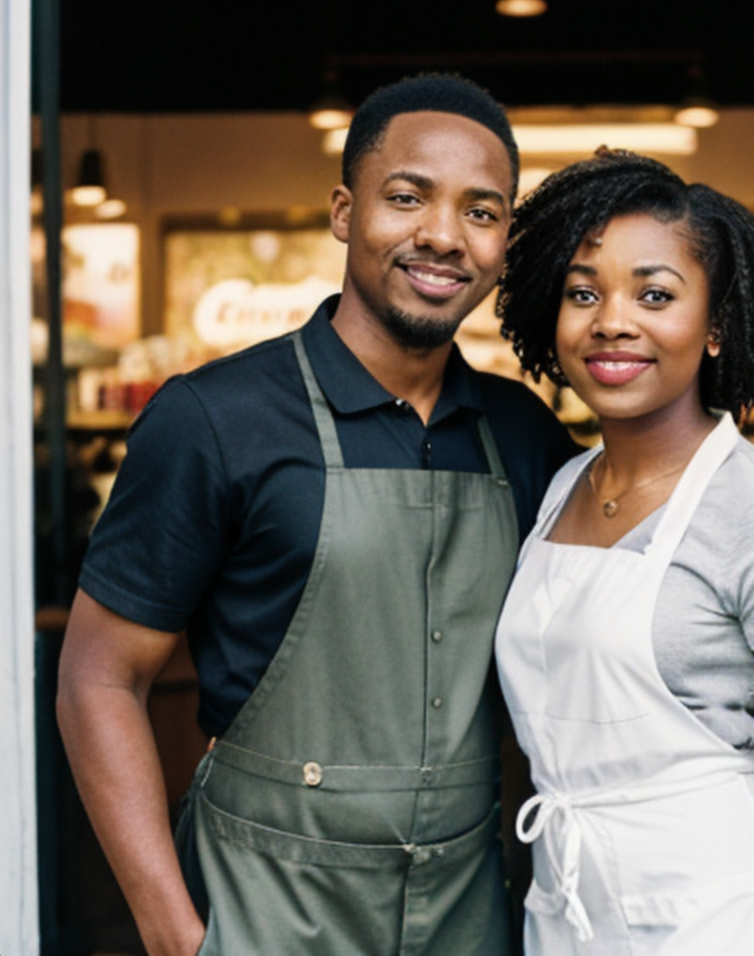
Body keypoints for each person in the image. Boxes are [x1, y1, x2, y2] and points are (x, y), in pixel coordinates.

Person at [56, 74, 576, 956]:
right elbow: (97, 680)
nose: (443, 236)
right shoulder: (215, 419)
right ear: (344, 211)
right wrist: (174, 932)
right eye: (407, 198)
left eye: (482, 212)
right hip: (261, 907)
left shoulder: (523, 435)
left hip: (466, 911)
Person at [494, 148, 754, 956]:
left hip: (727, 917)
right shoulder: (559, 487)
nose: (611, 321)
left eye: (655, 294)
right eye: (583, 293)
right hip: (569, 911)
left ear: (715, 329)